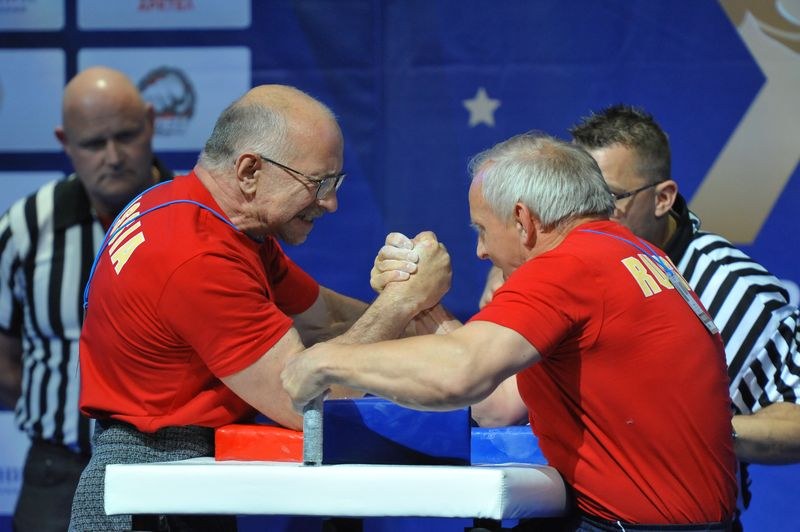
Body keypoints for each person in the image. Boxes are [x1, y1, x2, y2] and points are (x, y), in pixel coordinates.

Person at [282, 132, 738, 530]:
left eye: (482, 229)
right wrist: (421, 305)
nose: (480, 251)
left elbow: (459, 376)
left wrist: (323, 361)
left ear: (523, 220)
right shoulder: (625, 252)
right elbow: (497, 405)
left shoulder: (569, 267)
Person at [69, 84, 451, 531]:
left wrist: (428, 318)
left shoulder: (207, 217)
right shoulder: (196, 258)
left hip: (174, 480)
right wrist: (403, 300)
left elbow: (325, 319)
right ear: (250, 170)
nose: (331, 202)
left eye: (336, 182)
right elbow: (308, 402)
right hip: (154, 494)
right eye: (319, 183)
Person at [473, 105, 800, 528]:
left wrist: (697, 429)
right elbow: (499, 405)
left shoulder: (739, 290)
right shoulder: (545, 265)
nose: (580, 210)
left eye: (606, 197)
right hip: (555, 504)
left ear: (663, 198)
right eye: (567, 192)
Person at [0, 66, 172, 532]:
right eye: (94, 144)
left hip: (175, 472)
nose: (113, 157)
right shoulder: (25, 227)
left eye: (127, 135)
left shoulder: (199, 219)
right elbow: (4, 360)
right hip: (57, 473)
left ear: (152, 123)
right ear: (64, 141)